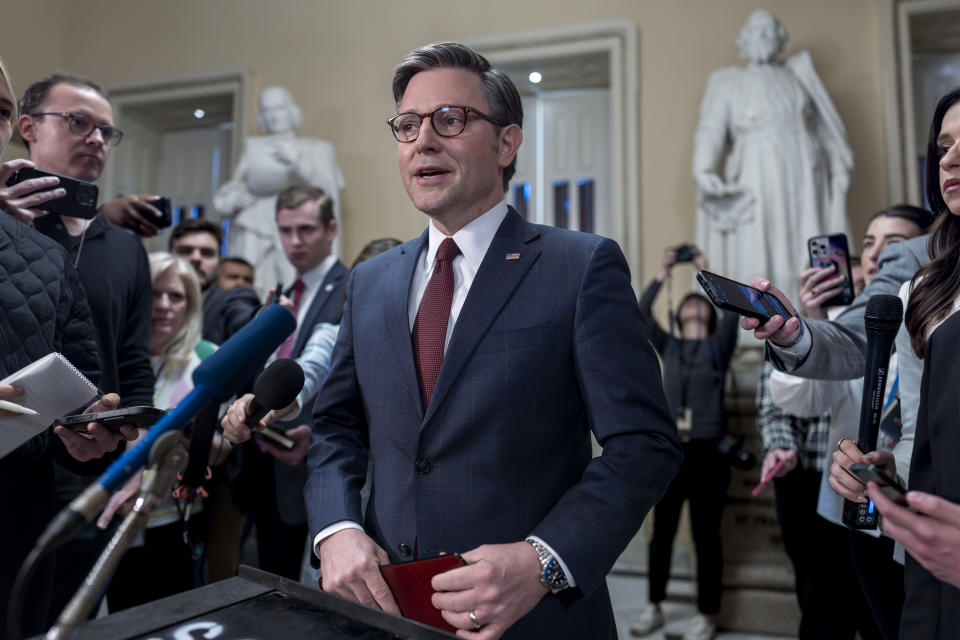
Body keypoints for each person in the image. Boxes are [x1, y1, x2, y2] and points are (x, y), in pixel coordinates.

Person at [222, 42, 681, 639]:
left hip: (530, 620)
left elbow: (644, 445)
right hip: (386, 612)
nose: (423, 141)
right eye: (408, 126)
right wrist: (335, 529)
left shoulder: (578, 267)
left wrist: (543, 560)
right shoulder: (371, 281)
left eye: (451, 120)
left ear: (507, 142)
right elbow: (337, 428)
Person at [6, 71, 156, 624]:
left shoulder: (125, 249)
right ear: (28, 128)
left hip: (96, 473)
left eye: (106, 132)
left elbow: (135, 363)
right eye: (78, 123)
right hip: (12, 466)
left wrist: (139, 461)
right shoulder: (5, 223)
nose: (96, 139)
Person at [828, 87, 960, 638]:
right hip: (930, 569)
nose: (949, 159)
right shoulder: (927, 290)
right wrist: (889, 474)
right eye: (944, 144)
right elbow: (919, 437)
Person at [767, 205, 931, 640]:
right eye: (868, 244)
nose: (878, 256)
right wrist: (815, 322)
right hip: (847, 504)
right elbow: (801, 401)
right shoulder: (852, 325)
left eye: (894, 247)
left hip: (919, 508)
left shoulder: (937, 328)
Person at [693, 9, 853, 305]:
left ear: (780, 40)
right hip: (757, 168)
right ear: (745, 40)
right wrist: (703, 170)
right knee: (759, 242)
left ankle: (813, 316)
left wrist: (838, 163)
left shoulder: (799, 76)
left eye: (770, 32)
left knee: (806, 240)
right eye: (757, 31)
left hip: (805, 170)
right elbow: (710, 130)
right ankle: (762, 316)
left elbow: (823, 128)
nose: (763, 38)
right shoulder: (728, 82)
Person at [229, 184, 348, 581]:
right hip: (261, 455)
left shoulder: (350, 286)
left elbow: (330, 375)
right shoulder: (280, 293)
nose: (294, 241)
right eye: (285, 230)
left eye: (306, 229)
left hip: (313, 460)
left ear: (331, 230)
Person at [102, 252, 229, 610]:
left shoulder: (207, 358)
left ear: (190, 305)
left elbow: (226, 449)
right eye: (155, 294)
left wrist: (189, 438)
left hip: (175, 520)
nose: (164, 306)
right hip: (111, 518)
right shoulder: (113, 357)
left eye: (176, 296)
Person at [631, 246, 737, 640]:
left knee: (707, 537)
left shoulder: (719, 347)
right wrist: (663, 271)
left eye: (701, 306)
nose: (695, 310)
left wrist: (704, 273)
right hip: (671, 453)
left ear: (708, 315)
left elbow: (731, 312)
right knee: (661, 535)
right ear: (678, 314)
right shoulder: (669, 346)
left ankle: (707, 615)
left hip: (710, 454)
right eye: (689, 305)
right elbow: (640, 313)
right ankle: (654, 606)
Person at [213, 86, 345, 293]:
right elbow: (232, 190)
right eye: (267, 110)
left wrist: (298, 162)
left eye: (279, 109)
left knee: (295, 281)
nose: (273, 116)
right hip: (257, 223)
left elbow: (328, 192)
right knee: (255, 284)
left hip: (299, 225)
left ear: (291, 111)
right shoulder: (254, 147)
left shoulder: (316, 148)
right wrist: (236, 197)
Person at [169, 218, 260, 346]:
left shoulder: (232, 299)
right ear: (169, 257)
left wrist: (261, 318)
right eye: (185, 251)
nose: (196, 258)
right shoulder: (148, 300)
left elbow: (242, 317)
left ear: (219, 263)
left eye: (207, 253)